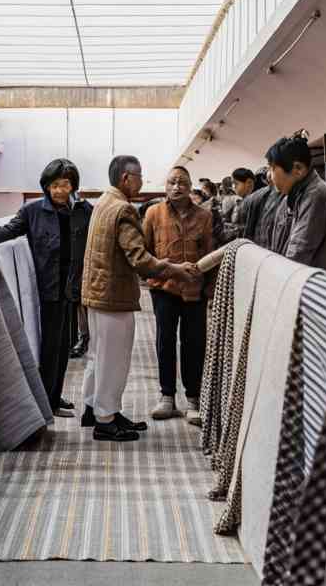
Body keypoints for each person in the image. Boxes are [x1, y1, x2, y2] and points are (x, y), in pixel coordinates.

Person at [0, 158, 91, 417]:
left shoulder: (83, 211)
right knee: (50, 347)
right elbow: (7, 231)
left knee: (65, 345)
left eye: (66, 184)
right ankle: (47, 403)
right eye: (55, 185)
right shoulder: (33, 211)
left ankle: (55, 395)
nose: (61, 190)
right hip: (48, 289)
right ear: (46, 186)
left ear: (73, 186)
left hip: (72, 288)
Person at [80, 155, 194, 442]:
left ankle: (95, 409)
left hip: (96, 293)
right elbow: (139, 259)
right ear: (125, 179)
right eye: (139, 175)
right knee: (113, 360)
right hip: (113, 297)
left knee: (98, 355)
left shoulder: (103, 203)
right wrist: (174, 269)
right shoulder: (124, 209)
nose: (142, 180)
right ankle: (106, 421)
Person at [143, 166, 213, 426]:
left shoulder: (204, 217)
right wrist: (154, 277)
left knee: (194, 343)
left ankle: (193, 399)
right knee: (165, 342)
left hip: (195, 291)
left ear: (190, 185)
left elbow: (210, 252)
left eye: (182, 182)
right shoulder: (153, 213)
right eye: (172, 182)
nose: (176, 187)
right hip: (164, 289)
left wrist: (210, 288)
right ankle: (167, 397)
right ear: (165, 186)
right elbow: (145, 251)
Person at [266, 132, 326, 275]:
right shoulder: (295, 195)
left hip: (314, 286)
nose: (270, 175)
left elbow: (298, 252)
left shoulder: (315, 195)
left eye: (272, 168)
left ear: (297, 169)